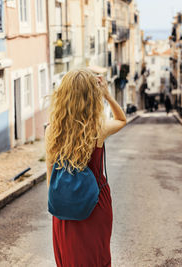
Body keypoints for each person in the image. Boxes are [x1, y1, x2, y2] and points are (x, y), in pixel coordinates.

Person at [45, 68, 127, 267]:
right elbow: (121, 119)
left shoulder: (51, 131)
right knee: (96, 256)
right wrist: (107, 95)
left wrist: (64, 200)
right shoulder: (98, 128)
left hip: (64, 206)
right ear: (92, 97)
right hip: (96, 203)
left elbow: (50, 177)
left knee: (70, 257)